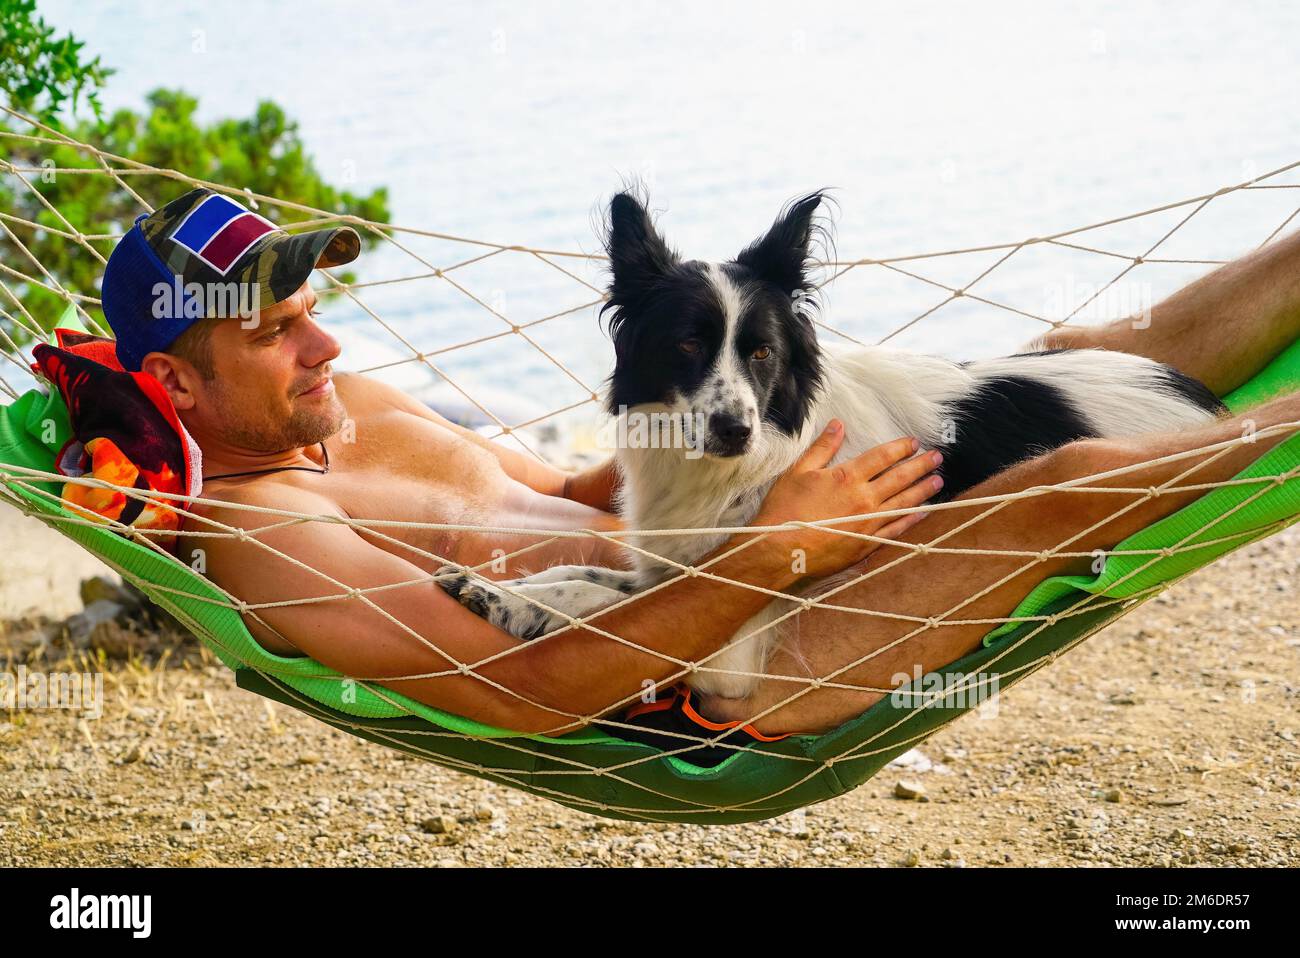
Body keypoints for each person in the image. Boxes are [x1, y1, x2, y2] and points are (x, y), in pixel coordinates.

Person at [101, 188, 1300, 747]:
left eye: (313, 308)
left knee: (1080, 361)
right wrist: (783, 539)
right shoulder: (267, 536)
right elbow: (524, 693)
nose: (329, 344)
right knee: (1063, 476)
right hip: (731, 661)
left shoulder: (342, 407)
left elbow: (576, 494)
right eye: (274, 333)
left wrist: (777, 438)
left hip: (740, 541)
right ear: (174, 390)